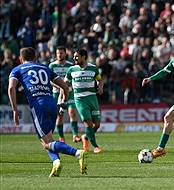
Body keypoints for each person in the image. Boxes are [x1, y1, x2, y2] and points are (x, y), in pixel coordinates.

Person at [8, 47, 87, 177]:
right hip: (52, 103)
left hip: (38, 105)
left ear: (21, 59)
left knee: (46, 143)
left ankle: (77, 153)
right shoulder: (45, 67)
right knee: (48, 140)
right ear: (35, 57)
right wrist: (64, 103)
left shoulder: (17, 69)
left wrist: (15, 109)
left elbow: (11, 87)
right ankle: (56, 162)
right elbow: (66, 87)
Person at [65, 48, 104, 154]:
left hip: (92, 98)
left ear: (83, 57)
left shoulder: (93, 68)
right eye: (74, 56)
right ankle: (95, 146)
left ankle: (86, 137)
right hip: (79, 99)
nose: (74, 58)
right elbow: (65, 83)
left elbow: (99, 79)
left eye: (76, 56)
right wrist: (64, 94)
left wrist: (100, 87)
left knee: (97, 125)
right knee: (88, 122)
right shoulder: (71, 70)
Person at [49, 46, 81, 143]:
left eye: (61, 53)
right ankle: (61, 137)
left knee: (72, 113)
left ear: (65, 54)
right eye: (58, 53)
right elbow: (50, 80)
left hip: (69, 93)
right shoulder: (52, 66)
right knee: (60, 115)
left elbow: (73, 79)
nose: (59, 55)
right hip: (56, 94)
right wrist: (60, 87)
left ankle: (75, 135)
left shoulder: (70, 66)